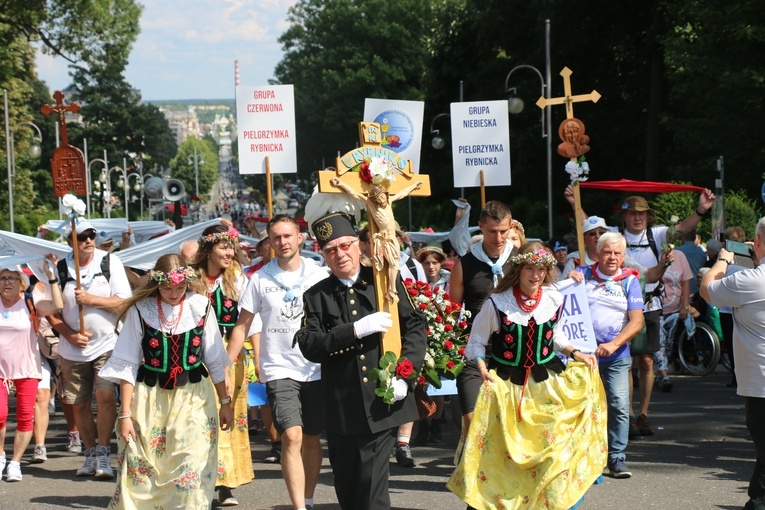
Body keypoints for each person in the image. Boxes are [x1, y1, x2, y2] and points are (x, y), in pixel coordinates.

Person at [448, 242, 604, 509]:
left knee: (553, 454)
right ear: (519, 269)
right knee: (503, 455)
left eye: (541, 269)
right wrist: (482, 367)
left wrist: (576, 352)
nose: (536, 275)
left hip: (547, 386)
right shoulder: (498, 303)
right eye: (530, 268)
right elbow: (475, 342)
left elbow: (554, 336)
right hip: (507, 387)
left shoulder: (554, 298)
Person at [294, 212, 427, 510]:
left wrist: (405, 375)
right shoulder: (317, 295)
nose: (340, 254)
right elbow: (310, 344)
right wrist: (353, 331)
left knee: (372, 493)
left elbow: (416, 327)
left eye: (345, 245)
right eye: (331, 250)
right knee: (349, 491)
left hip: (381, 405)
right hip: (342, 406)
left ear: (359, 245)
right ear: (323, 255)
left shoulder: (382, 281)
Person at [98, 254, 233, 509]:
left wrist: (225, 402)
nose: (174, 292)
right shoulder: (141, 309)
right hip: (150, 397)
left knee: (191, 465)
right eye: (167, 287)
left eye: (180, 286)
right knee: (145, 471)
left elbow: (214, 358)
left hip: (194, 396)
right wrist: (124, 415)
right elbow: (127, 364)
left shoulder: (201, 306)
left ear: (188, 282)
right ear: (157, 282)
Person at [225, 215, 328, 510]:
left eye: (287, 236)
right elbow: (242, 326)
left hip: (315, 367)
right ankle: (298, 507)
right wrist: (225, 366)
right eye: (276, 238)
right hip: (280, 368)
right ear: (269, 243)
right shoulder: (258, 279)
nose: (282, 242)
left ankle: (308, 498)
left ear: (300, 239)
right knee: (291, 435)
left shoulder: (319, 275)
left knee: (310, 437)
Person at [47, 219, 132, 479]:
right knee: (79, 403)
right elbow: (50, 313)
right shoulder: (61, 268)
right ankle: (90, 452)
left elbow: (124, 302)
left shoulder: (109, 262)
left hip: (107, 344)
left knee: (106, 396)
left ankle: (105, 452)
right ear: (69, 240)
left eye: (91, 235)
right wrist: (70, 335)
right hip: (72, 350)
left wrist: (92, 299)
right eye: (81, 236)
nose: (88, 241)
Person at [700, 219, 765, 510]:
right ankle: (757, 497)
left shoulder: (751, 280)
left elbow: (707, 289)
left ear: (759, 242)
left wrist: (723, 259)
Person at [570, 232, 645, 478]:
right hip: (581, 356)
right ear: (598, 253)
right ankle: (583, 458)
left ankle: (616, 457)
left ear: (623, 256)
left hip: (616, 354)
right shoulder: (582, 274)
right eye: (607, 252)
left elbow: (637, 321)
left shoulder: (629, 281)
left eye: (617, 253)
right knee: (581, 406)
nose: (612, 257)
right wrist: (568, 279)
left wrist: (614, 344)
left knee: (619, 404)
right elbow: (556, 296)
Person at [191, 225, 253, 506]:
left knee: (228, 419)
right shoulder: (192, 279)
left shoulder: (237, 279)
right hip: (195, 359)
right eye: (223, 247)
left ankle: (226, 484)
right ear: (208, 249)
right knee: (199, 419)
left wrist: (227, 364)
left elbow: (247, 323)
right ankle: (197, 480)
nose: (230, 252)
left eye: (232, 246)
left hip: (231, 354)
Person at [449, 200, 515, 437]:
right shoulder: (464, 265)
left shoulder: (520, 262)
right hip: (474, 348)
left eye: (504, 231)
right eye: (492, 231)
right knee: (472, 420)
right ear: (480, 227)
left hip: (511, 350)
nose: (499, 238)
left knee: (507, 422)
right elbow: (452, 312)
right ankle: (472, 471)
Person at [0, 259, 63, 482]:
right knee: (0, 414)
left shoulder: (30, 302)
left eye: (11, 278)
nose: (6, 282)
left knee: (26, 417)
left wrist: (51, 276)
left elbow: (57, 305)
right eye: (2, 278)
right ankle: (0, 457)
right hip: (0, 370)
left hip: (27, 367)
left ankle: (15, 463)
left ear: (21, 283)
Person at [330, 177, 423, 303]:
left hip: (392, 239)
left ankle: (392, 289)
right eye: (378, 199)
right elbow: (355, 194)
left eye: (382, 197)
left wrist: (414, 186)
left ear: (385, 195)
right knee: (393, 264)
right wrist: (341, 183)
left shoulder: (389, 201)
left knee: (394, 263)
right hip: (384, 240)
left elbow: (402, 193)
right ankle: (392, 289)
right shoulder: (373, 206)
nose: (381, 200)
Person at [411, 244, 450, 448]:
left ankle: (436, 423)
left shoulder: (448, 281)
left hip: (441, 334)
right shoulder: (416, 281)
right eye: (426, 263)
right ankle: (423, 423)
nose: (431, 267)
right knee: (419, 382)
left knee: (438, 382)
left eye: (435, 262)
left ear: (441, 263)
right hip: (421, 333)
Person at [654, 249, 693, 393]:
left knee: (668, 344)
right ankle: (664, 375)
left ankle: (659, 373)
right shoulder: (653, 254)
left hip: (674, 310)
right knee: (660, 343)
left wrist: (685, 306)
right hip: (655, 308)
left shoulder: (680, 256)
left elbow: (685, 283)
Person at [673, 229, 707, 294]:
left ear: (683, 237)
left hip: (679, 289)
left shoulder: (676, 251)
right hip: (696, 289)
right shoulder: (702, 253)